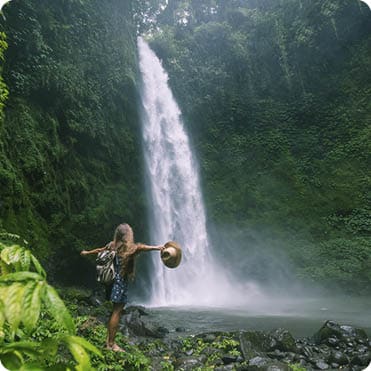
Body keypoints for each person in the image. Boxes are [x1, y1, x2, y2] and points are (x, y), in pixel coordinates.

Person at [80, 223, 164, 352]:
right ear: (127, 235)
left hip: (111, 282)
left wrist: (87, 253)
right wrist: (157, 247)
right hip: (120, 283)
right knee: (117, 312)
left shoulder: (111, 245)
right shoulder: (129, 248)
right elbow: (142, 247)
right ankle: (111, 344)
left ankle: (108, 341)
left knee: (115, 311)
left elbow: (100, 250)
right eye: (130, 233)